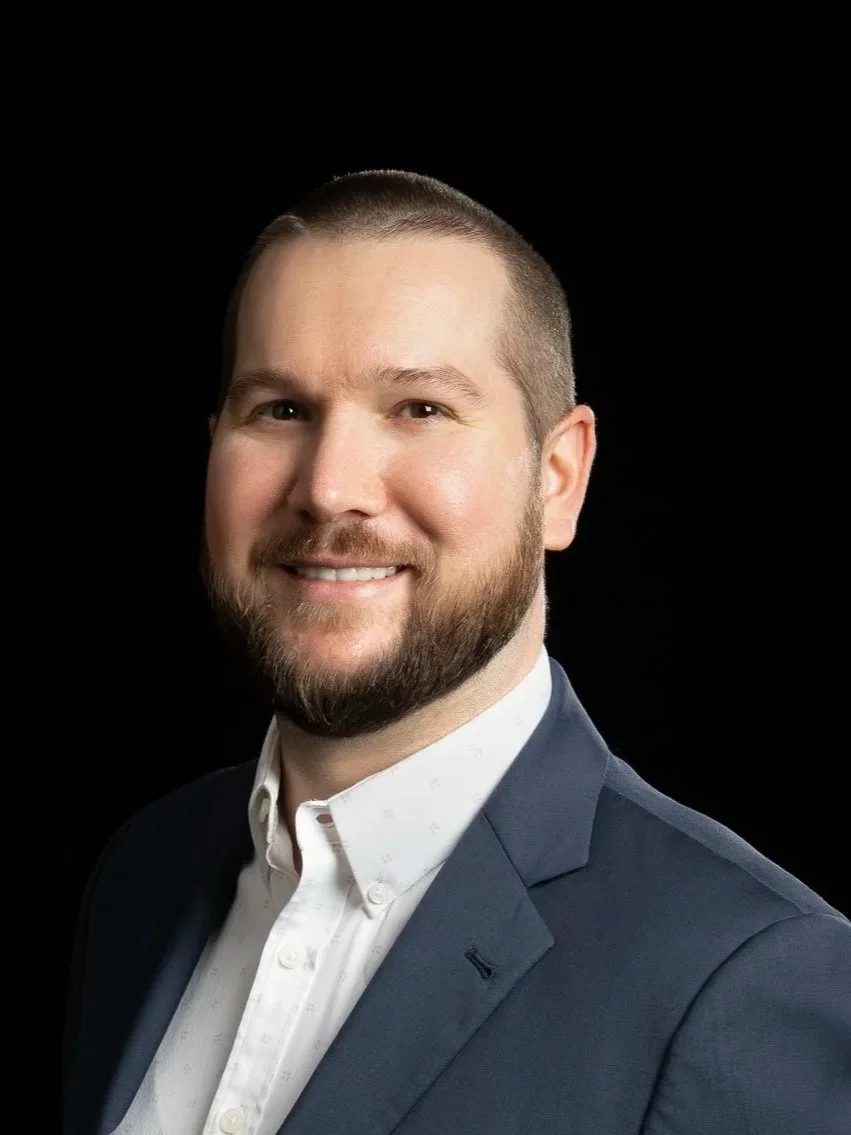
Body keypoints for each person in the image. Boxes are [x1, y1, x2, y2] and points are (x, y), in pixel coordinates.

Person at [62, 170, 850, 1135]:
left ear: (557, 479)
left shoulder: (743, 975)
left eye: (419, 409)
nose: (329, 489)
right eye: (280, 409)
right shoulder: (145, 872)